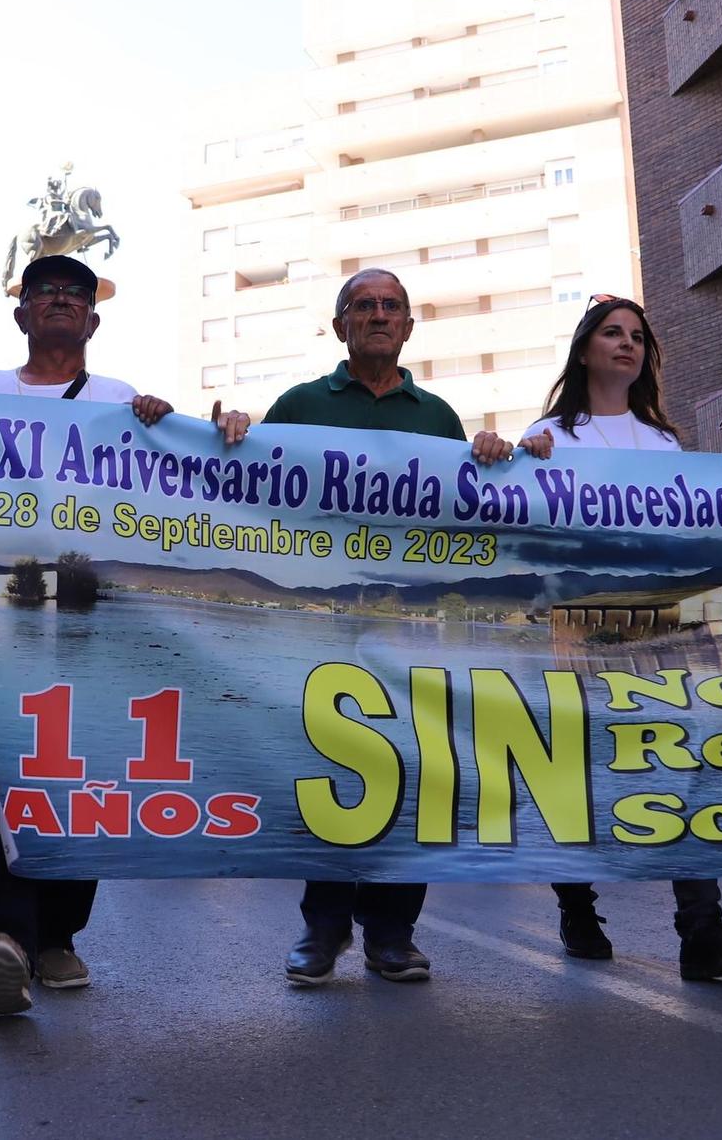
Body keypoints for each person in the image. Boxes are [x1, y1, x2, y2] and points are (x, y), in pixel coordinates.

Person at [0, 251, 217, 1016]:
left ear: (93, 318)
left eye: (73, 294)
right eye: (43, 291)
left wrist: (163, 428)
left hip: (90, 614)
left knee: (81, 773)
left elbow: (165, 505)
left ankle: (59, 936)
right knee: (1, 775)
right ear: (21, 314)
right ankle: (6, 940)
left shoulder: (118, 399)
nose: (58, 301)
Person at [490, 296, 722, 981]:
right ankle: (577, 905)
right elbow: (530, 538)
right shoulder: (552, 435)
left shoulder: (664, 443)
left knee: (685, 767)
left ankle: (701, 933)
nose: (626, 344)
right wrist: (514, 462)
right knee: (578, 774)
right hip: (580, 631)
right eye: (612, 334)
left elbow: (692, 530)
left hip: (663, 631)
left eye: (637, 336)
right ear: (585, 349)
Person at [263, 267, 483, 987]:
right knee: (331, 770)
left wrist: (497, 460)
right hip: (319, 627)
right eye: (365, 305)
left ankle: (393, 932)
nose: (379, 315)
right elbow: (245, 494)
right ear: (340, 326)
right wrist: (233, 433)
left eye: (392, 306)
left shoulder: (439, 417)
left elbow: (466, 515)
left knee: (411, 772)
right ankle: (322, 928)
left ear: (409, 327)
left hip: (412, 628)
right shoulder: (298, 404)